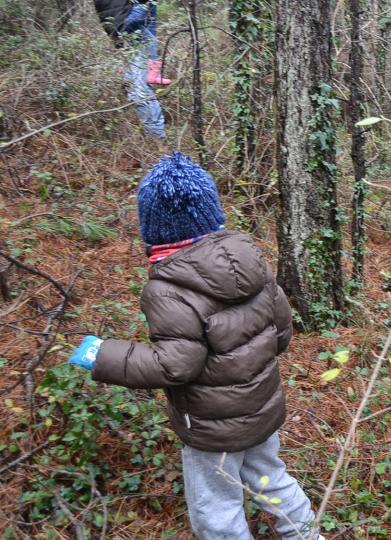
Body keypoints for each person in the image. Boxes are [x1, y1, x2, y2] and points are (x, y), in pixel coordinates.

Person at [66, 152, 320, 539]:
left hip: (209, 428)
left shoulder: (167, 289)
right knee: (273, 479)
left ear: (154, 226)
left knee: (216, 509)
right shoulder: (253, 261)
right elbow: (282, 334)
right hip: (263, 410)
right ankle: (308, 534)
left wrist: (102, 354)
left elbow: (175, 365)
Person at [94, 0, 170, 139]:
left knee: (142, 92)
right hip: (122, 24)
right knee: (136, 90)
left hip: (126, 22)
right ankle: (154, 137)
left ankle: (156, 140)